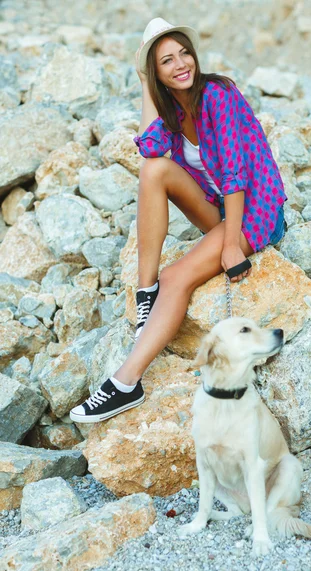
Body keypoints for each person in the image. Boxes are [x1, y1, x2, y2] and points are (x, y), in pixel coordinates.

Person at [69, 17, 287, 424]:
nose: (181, 64)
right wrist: (145, 85)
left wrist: (229, 245)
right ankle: (144, 291)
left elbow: (237, 174)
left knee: (178, 277)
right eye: (166, 61)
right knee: (155, 170)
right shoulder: (172, 106)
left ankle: (126, 382)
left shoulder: (218, 94)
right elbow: (150, 148)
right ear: (157, 74)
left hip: (256, 212)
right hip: (218, 209)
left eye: (184, 53)